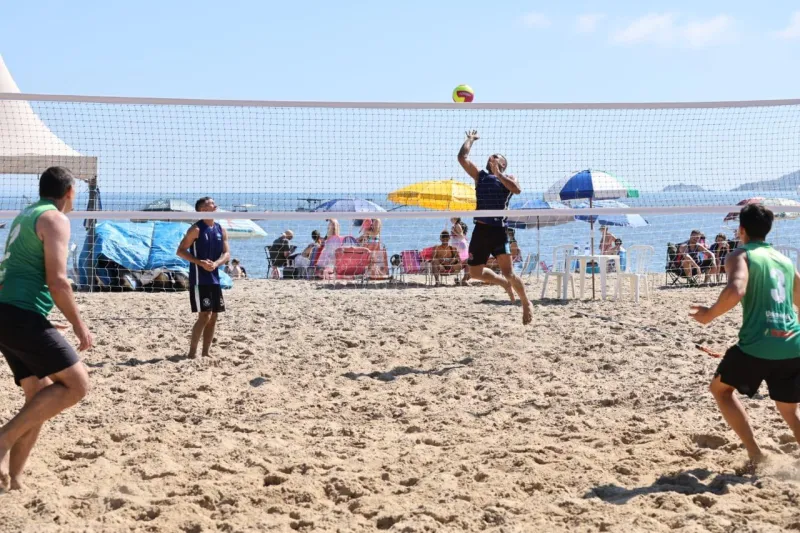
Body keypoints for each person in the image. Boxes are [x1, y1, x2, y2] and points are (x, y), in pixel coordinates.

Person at [0, 167, 93, 492]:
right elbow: (58, 281)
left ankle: (14, 479)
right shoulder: (54, 218)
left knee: (39, 397)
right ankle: (2, 441)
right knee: (77, 385)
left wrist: (36, 319)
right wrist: (79, 326)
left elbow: (11, 270)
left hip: (10, 314)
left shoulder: (25, 215)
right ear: (68, 192)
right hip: (19, 315)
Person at [691, 204, 800, 468]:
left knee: (721, 391)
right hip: (792, 343)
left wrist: (708, 315)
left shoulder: (740, 255)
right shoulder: (784, 260)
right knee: (789, 410)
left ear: (741, 230)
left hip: (757, 345)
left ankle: (755, 453)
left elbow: (736, 289)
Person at [458, 129, 532, 325]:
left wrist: (499, 174)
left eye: (496, 158)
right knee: (474, 273)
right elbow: (462, 157)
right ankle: (503, 284)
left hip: (498, 231)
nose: (491, 158)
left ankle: (525, 302)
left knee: (509, 271)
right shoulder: (480, 176)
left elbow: (517, 190)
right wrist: (470, 139)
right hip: (481, 230)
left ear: (503, 164)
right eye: (490, 157)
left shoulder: (509, 179)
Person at [176, 197, 230, 359]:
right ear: (201, 210)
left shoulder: (221, 229)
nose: (213, 206)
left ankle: (206, 353)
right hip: (200, 279)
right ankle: (192, 353)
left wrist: (216, 263)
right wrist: (199, 262)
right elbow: (180, 251)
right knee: (204, 315)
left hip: (214, 277)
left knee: (214, 316)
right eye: (209, 204)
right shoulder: (196, 229)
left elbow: (227, 254)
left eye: (213, 204)